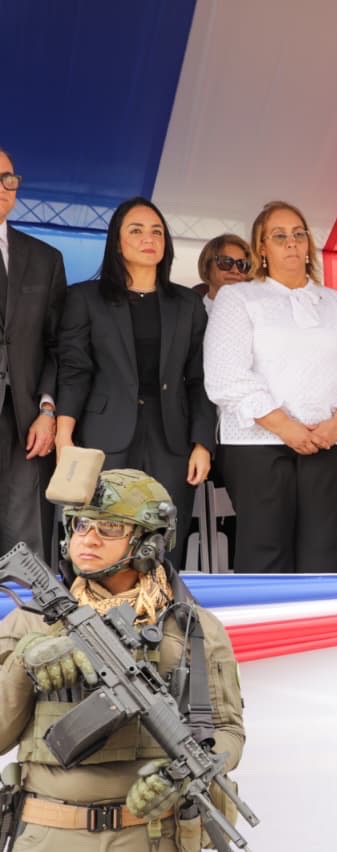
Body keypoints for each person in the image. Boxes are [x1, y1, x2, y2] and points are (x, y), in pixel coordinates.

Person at [0, 468, 244, 851]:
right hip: (49, 833)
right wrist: (24, 663)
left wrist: (179, 775)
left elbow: (228, 728)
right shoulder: (29, 622)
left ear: (148, 542)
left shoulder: (192, 628)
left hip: (150, 835)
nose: (89, 538)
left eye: (110, 528)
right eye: (80, 525)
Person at [204, 200, 337, 572]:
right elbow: (225, 376)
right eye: (279, 236)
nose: (292, 243)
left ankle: (322, 615)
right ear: (261, 247)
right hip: (259, 446)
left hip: (329, 443)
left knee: (326, 554)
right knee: (265, 554)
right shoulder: (239, 298)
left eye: (299, 234)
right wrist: (286, 427)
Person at [55, 198, 215, 571]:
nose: (149, 238)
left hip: (171, 440)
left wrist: (202, 443)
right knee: (101, 539)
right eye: (137, 230)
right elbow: (74, 370)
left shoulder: (188, 304)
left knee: (162, 542)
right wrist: (64, 435)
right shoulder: (85, 298)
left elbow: (199, 379)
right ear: (117, 242)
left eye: (157, 231)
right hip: (104, 437)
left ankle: (160, 607)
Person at [0, 146, 67, 560]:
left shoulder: (45, 259)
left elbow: (57, 343)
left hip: (26, 419)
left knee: (25, 545)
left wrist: (48, 409)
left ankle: (19, 606)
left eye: (8, 179)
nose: (3, 187)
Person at [195, 234, 251, 311]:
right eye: (226, 262)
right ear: (207, 266)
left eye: (242, 264)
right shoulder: (189, 311)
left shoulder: (257, 312)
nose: (235, 271)